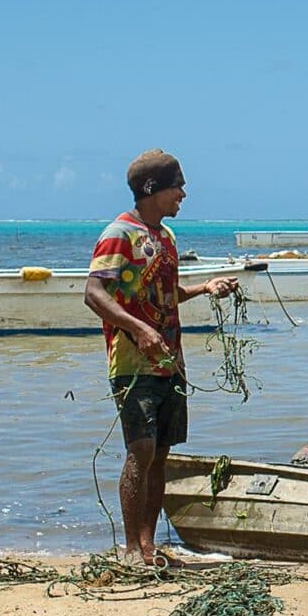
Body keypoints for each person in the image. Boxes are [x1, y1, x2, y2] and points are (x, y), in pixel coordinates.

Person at [82, 150, 238, 564]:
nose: (183, 195)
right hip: (133, 364)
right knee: (141, 451)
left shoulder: (166, 238)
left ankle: (150, 545)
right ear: (152, 189)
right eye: (177, 187)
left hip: (171, 364)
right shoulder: (119, 234)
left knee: (161, 455)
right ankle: (132, 550)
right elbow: (93, 293)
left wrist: (206, 288)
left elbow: (167, 295)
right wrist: (139, 329)